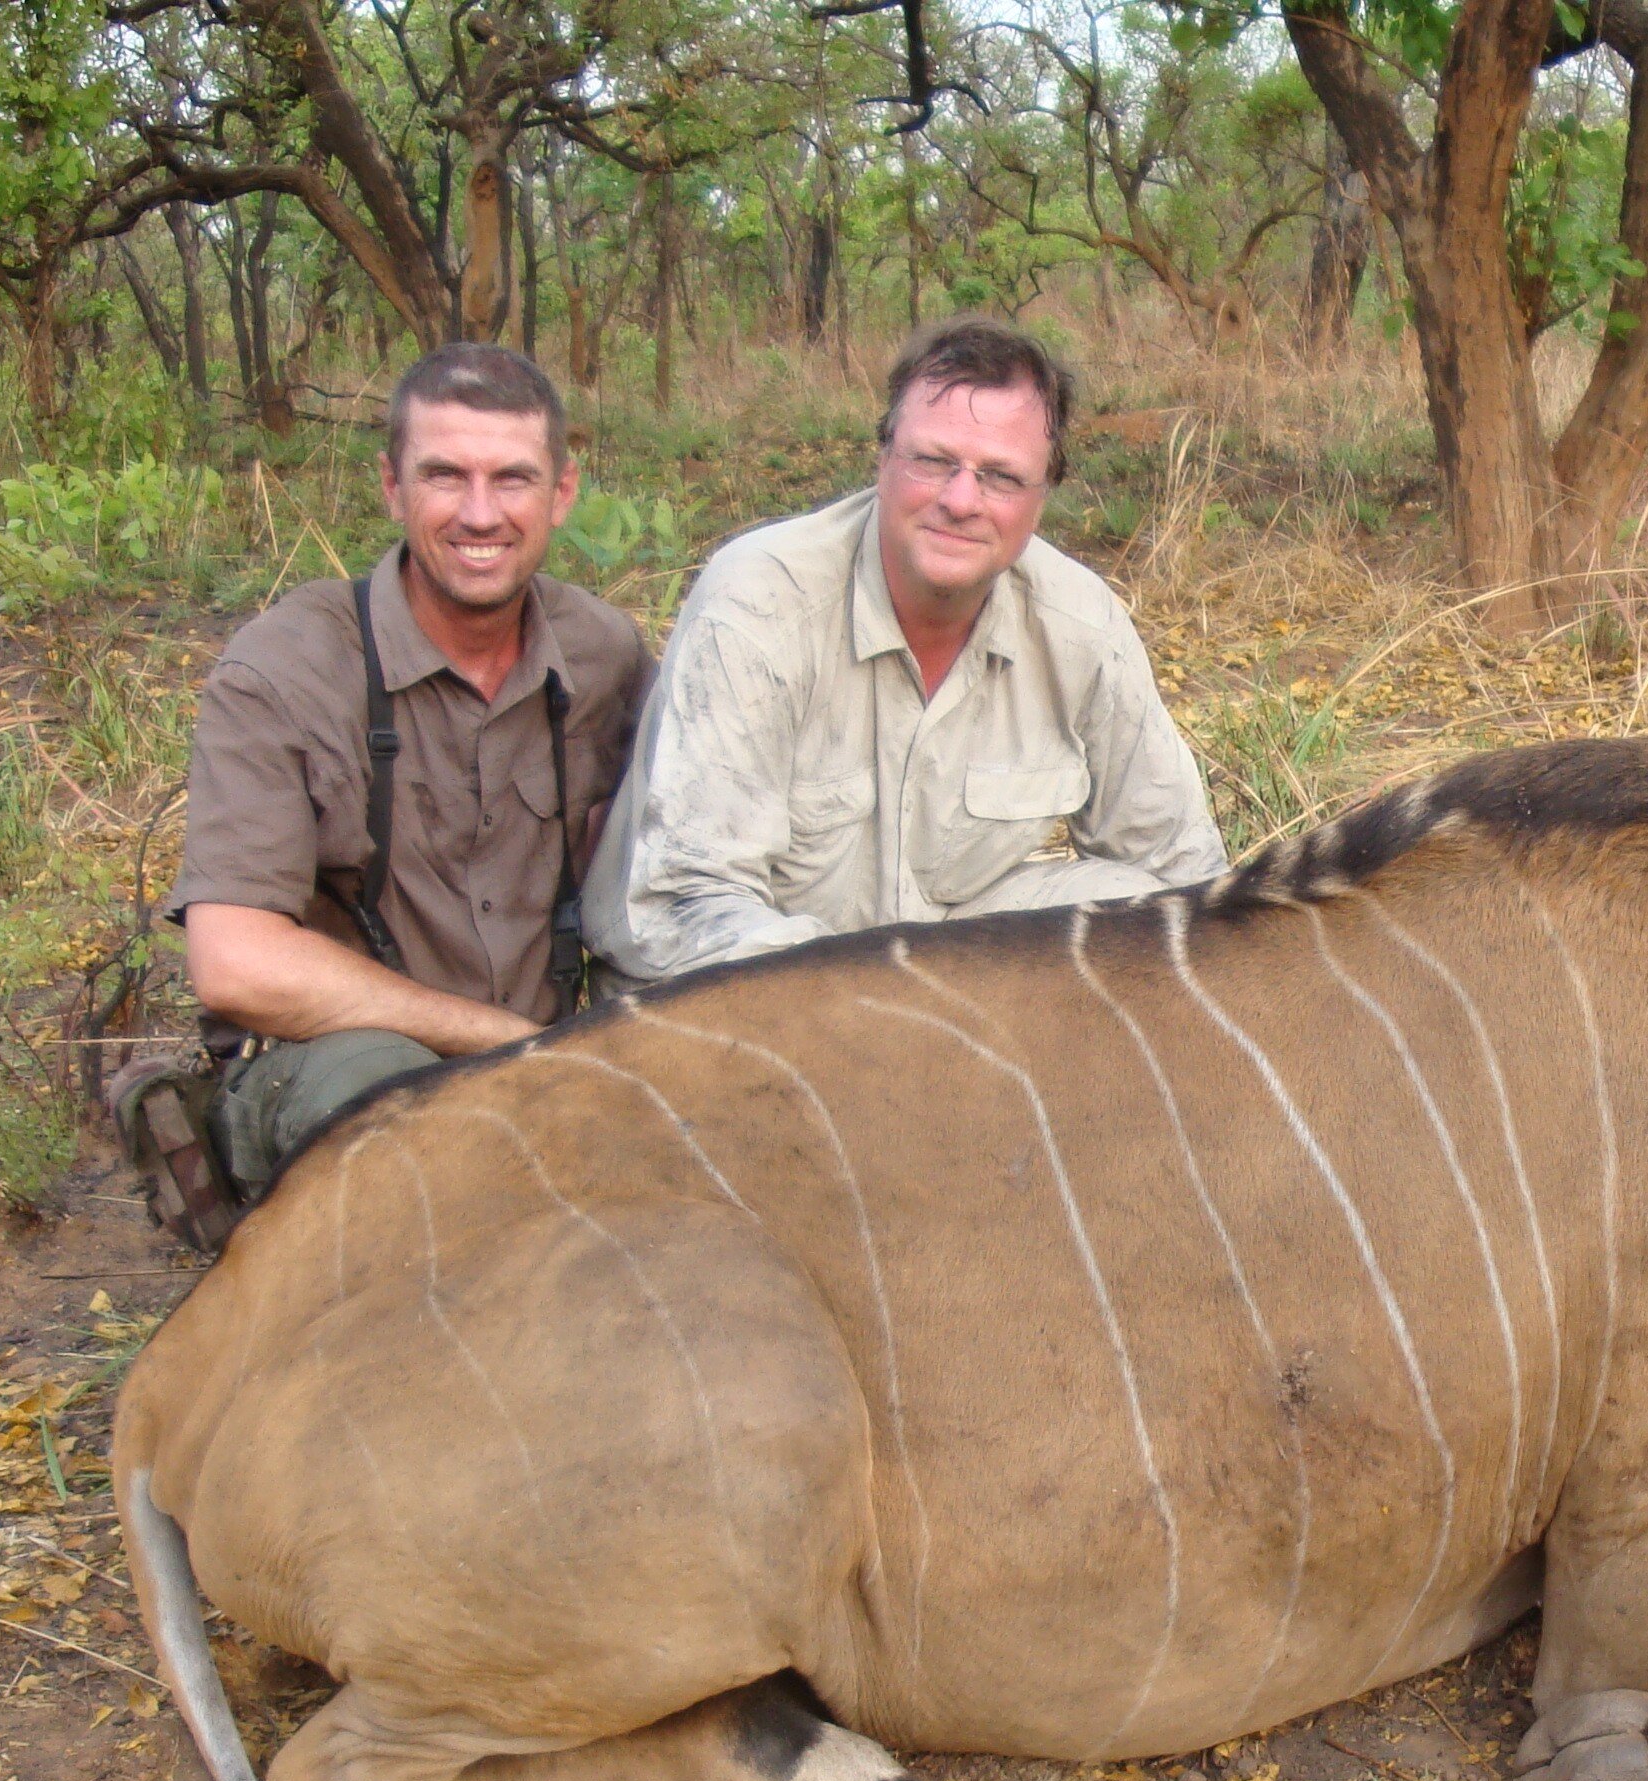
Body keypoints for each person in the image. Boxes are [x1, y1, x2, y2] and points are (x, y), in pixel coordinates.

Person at [121, 344, 650, 1250]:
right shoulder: (283, 667)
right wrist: (500, 1040)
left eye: (512, 479)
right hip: (335, 1071)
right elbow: (235, 964)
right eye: (444, 475)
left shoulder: (606, 655)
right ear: (391, 487)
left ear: (561, 494)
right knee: (397, 1111)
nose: (479, 514)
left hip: (549, 1068)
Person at [580, 317, 1222, 983]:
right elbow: (687, 901)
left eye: (1001, 476)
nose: (960, 500)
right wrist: (894, 1018)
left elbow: (1183, 871)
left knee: (1143, 912)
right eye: (933, 461)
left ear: (1043, 496)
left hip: (936, 972)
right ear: (883, 459)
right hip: (747, 991)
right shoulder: (760, 602)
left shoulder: (1082, 622)